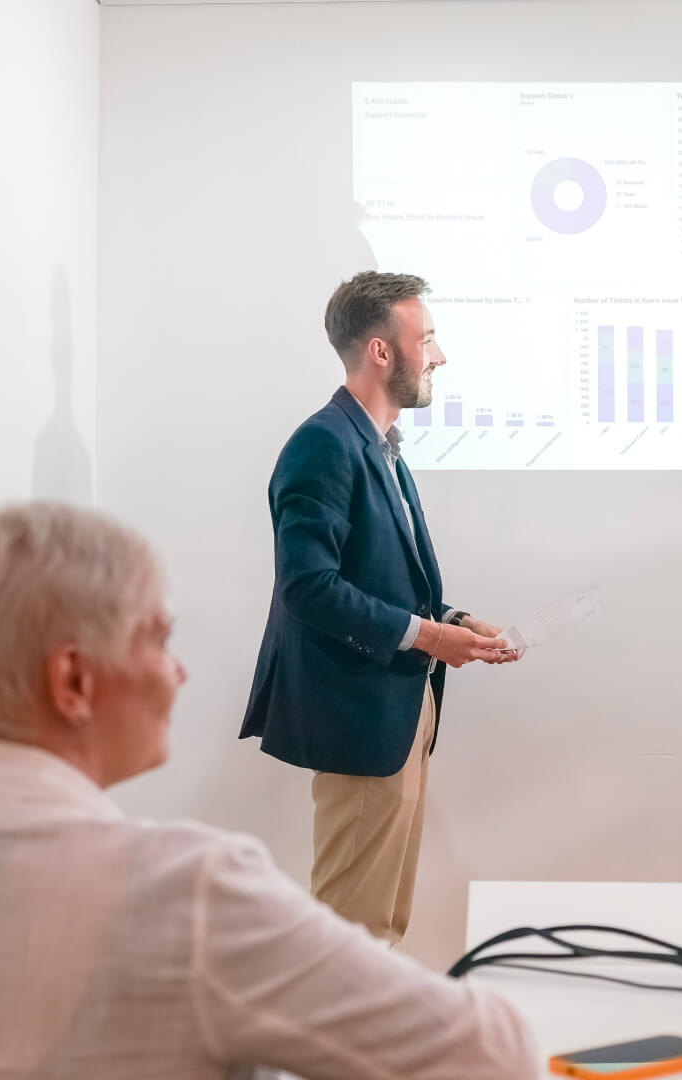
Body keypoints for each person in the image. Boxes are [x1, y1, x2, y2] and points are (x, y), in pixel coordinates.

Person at [0, 502, 536, 1079]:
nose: (179, 671)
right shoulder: (190, 893)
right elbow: (492, 1055)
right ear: (74, 680)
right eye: (158, 638)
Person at [241, 271, 519, 944]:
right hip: (358, 717)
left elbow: (381, 578)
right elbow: (308, 586)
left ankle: (367, 1044)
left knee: (381, 923)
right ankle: (329, 1048)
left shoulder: (381, 448)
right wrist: (426, 637)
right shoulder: (324, 445)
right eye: (426, 339)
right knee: (349, 932)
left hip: (398, 712)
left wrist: (450, 625)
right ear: (382, 353)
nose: (440, 357)